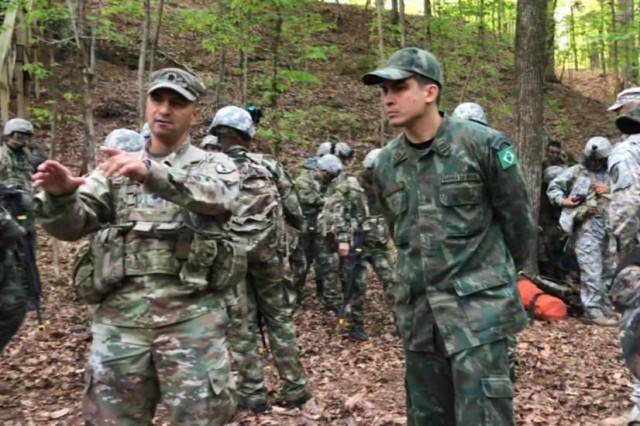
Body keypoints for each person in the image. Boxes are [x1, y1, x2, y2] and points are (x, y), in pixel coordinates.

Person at [34, 68, 240, 425]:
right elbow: (71, 228)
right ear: (146, 105)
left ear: (194, 115)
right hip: (120, 324)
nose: (164, 109)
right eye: (157, 99)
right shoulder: (114, 169)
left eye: (177, 103)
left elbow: (218, 197)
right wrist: (61, 197)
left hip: (192, 321)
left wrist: (150, 172)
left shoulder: (214, 164)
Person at [362, 47, 534, 425]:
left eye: (399, 87)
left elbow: (518, 224)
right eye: (383, 91)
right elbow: (400, 234)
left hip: (479, 317)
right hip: (421, 321)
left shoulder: (482, 145)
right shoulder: (388, 163)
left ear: (430, 92)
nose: (388, 98)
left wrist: (489, 284)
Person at [209, 105, 311, 413]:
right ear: (248, 134)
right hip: (268, 257)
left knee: (241, 327)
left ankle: (253, 396)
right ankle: (296, 390)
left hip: (230, 261)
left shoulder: (208, 167)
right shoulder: (268, 165)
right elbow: (295, 211)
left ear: (218, 134)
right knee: (279, 320)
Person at [547, 137, 616, 327]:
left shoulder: (614, 175)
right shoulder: (576, 172)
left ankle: (605, 307)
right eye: (592, 159)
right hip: (586, 229)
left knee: (608, 270)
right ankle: (592, 311)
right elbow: (553, 187)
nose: (595, 163)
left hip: (608, 228)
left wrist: (610, 189)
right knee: (591, 270)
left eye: (599, 160)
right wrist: (563, 201)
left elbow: (631, 191)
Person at [316, 153, 370, 341]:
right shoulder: (349, 187)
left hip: (364, 238)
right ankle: (349, 319)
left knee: (358, 283)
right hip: (343, 238)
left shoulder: (379, 186)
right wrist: (344, 239)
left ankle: (355, 322)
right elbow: (338, 213)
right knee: (344, 275)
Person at [358, 148, 395, 308]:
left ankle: (399, 316)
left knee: (391, 280)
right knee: (357, 286)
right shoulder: (352, 187)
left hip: (378, 244)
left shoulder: (387, 184)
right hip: (357, 244)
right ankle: (355, 323)